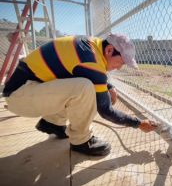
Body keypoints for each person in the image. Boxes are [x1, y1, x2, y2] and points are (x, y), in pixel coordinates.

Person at [2, 33, 158, 156]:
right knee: (84, 88)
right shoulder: (92, 62)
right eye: (121, 62)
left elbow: (78, 68)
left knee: (78, 85)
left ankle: (53, 123)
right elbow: (106, 111)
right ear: (109, 50)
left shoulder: (90, 45)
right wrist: (138, 123)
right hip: (20, 95)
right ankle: (81, 141)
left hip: (25, 90)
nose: (119, 68)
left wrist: (108, 85)